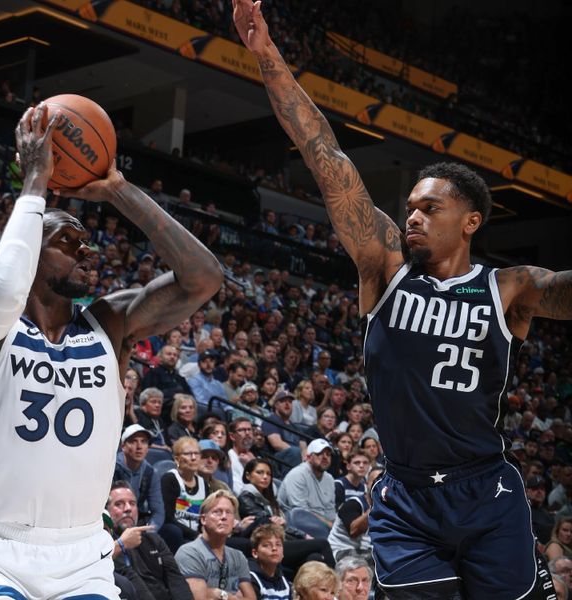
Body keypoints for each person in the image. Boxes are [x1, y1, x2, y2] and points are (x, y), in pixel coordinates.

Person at [234, 2, 571, 595]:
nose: (411, 216)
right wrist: (268, 56)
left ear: (470, 222)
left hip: (487, 491)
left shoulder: (508, 286)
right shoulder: (383, 265)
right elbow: (327, 156)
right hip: (406, 496)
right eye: (410, 206)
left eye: (429, 208)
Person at [0, 103, 222, 599]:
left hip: (80, 556)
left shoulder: (107, 323)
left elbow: (204, 278)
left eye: (88, 244)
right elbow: (8, 292)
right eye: (68, 241)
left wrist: (120, 190)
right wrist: (35, 181)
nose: (87, 251)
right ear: (31, 248)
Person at [107, 481, 193, 600]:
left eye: (132, 503)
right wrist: (122, 544)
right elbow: (133, 583)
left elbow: (175, 579)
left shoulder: (153, 539)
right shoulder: (107, 545)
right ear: (107, 511)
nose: (128, 509)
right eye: (119, 504)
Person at [175, 490, 256, 599]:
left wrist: (215, 593)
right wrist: (228, 596)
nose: (224, 517)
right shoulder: (189, 552)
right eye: (217, 512)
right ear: (203, 519)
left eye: (229, 512)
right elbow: (199, 598)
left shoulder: (238, 556)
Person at [247, 524, 291, 600]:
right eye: (267, 545)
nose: (274, 548)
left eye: (278, 544)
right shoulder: (250, 579)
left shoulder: (285, 583)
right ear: (255, 553)